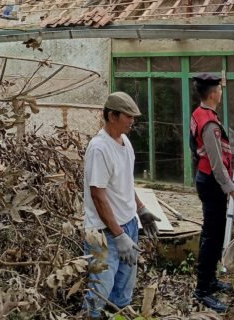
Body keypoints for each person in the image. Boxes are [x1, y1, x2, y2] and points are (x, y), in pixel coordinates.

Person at [83, 92, 160, 318]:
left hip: (128, 227)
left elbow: (124, 184)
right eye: (129, 116)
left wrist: (141, 209)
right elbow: (98, 195)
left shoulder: (124, 142)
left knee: (123, 292)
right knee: (99, 293)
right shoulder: (99, 148)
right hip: (104, 234)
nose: (132, 121)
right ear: (112, 116)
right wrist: (117, 235)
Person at [189, 73, 234, 313]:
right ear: (214, 93)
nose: (221, 93)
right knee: (212, 236)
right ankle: (202, 289)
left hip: (207, 180)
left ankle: (210, 280)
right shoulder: (209, 123)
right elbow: (217, 165)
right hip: (212, 182)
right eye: (220, 90)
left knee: (215, 232)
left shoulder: (199, 114)